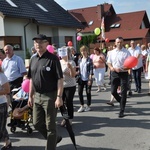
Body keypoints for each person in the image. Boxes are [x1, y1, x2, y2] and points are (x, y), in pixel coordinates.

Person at [27, 34, 64, 150]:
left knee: (50, 126)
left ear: (46, 44)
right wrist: (30, 96)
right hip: (37, 95)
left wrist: (59, 97)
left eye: (40, 42)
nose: (38, 44)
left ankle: (50, 146)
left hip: (50, 96)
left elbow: (60, 79)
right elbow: (32, 79)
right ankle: (55, 138)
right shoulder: (33, 59)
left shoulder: (53, 59)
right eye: (36, 42)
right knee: (36, 123)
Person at [107, 37, 131, 118]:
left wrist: (122, 69)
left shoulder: (127, 52)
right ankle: (121, 101)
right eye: (118, 42)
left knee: (123, 92)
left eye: (121, 42)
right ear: (115, 43)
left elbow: (130, 65)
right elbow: (109, 62)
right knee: (113, 91)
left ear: (123, 42)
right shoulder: (112, 52)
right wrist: (111, 68)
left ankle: (122, 110)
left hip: (123, 73)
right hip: (114, 73)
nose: (119, 44)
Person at [59, 46, 76, 126]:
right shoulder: (59, 62)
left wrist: (71, 68)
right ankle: (65, 118)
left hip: (70, 85)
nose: (62, 54)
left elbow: (73, 75)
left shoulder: (71, 62)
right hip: (61, 85)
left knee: (69, 102)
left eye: (64, 52)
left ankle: (70, 118)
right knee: (61, 103)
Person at [77, 45, 93, 113]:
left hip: (87, 78)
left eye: (84, 51)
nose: (83, 52)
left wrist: (89, 79)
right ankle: (82, 105)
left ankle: (88, 105)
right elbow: (79, 69)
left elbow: (91, 70)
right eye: (82, 51)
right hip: (81, 78)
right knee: (79, 92)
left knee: (88, 92)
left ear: (87, 51)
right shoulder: (79, 60)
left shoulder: (89, 59)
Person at [0, 67, 12, 150]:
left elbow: (7, 90)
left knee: (1, 126)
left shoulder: (1, 76)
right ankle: (7, 141)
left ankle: (7, 142)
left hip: (1, 104)